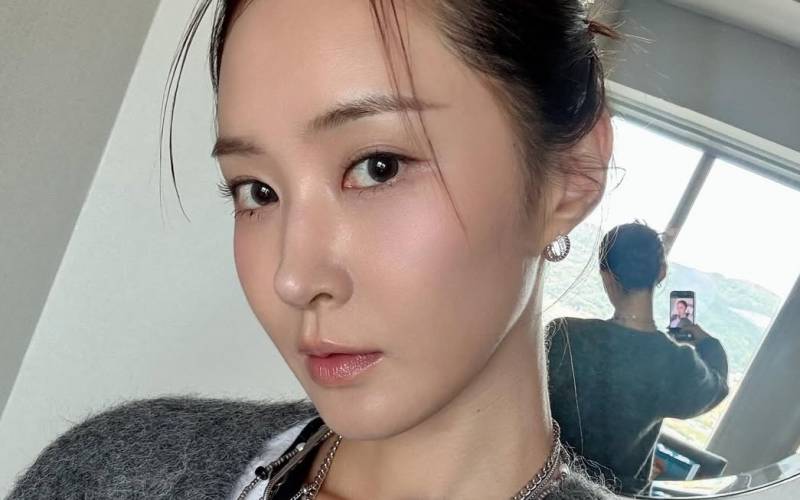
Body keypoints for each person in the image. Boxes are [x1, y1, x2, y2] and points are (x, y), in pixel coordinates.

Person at [10, 1, 621, 499]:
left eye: (378, 167)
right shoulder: (117, 474)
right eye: (258, 190)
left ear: (570, 175)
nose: (294, 279)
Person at [547, 223, 730, 495]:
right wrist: (705, 341)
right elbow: (717, 386)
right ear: (662, 271)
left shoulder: (563, 334)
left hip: (547, 483)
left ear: (607, 276)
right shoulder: (676, 363)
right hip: (616, 495)